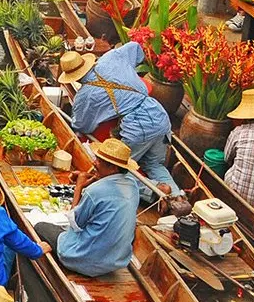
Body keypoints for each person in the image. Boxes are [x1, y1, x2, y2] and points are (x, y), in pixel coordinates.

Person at [58, 48, 174, 194]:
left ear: (73, 77)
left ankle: (154, 191)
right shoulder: (111, 57)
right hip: (158, 113)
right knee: (154, 164)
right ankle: (178, 196)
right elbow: (136, 48)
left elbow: (82, 126)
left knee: (115, 169)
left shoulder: (85, 95)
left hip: (137, 126)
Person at [33, 138, 140, 277]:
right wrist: (93, 178)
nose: (94, 163)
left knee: (40, 226)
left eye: (99, 161)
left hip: (85, 259)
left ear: (113, 168)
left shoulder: (96, 191)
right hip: (116, 260)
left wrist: (79, 187)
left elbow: (75, 222)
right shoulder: (132, 185)